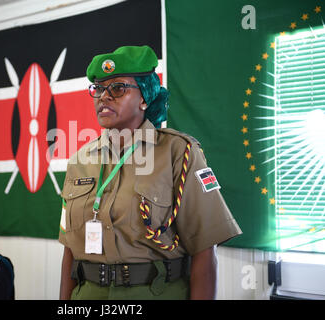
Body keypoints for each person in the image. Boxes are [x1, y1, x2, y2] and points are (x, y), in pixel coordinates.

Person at [58, 45, 242, 300]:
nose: (103, 97)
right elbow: (69, 250)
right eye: (98, 89)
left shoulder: (178, 153)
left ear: (144, 96)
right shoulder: (80, 159)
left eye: (118, 88)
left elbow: (204, 250)